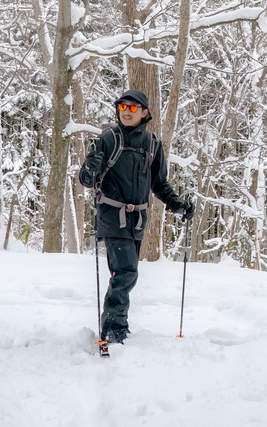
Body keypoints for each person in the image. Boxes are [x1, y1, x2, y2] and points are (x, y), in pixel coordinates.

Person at [78, 89, 194, 344]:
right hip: (111, 215)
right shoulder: (107, 140)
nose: (126, 112)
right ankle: (114, 328)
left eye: (132, 108)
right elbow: (86, 180)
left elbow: (159, 184)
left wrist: (177, 205)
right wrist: (91, 167)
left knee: (126, 273)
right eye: (122, 108)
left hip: (138, 220)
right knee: (126, 272)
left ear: (145, 112)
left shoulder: (152, 143)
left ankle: (114, 325)